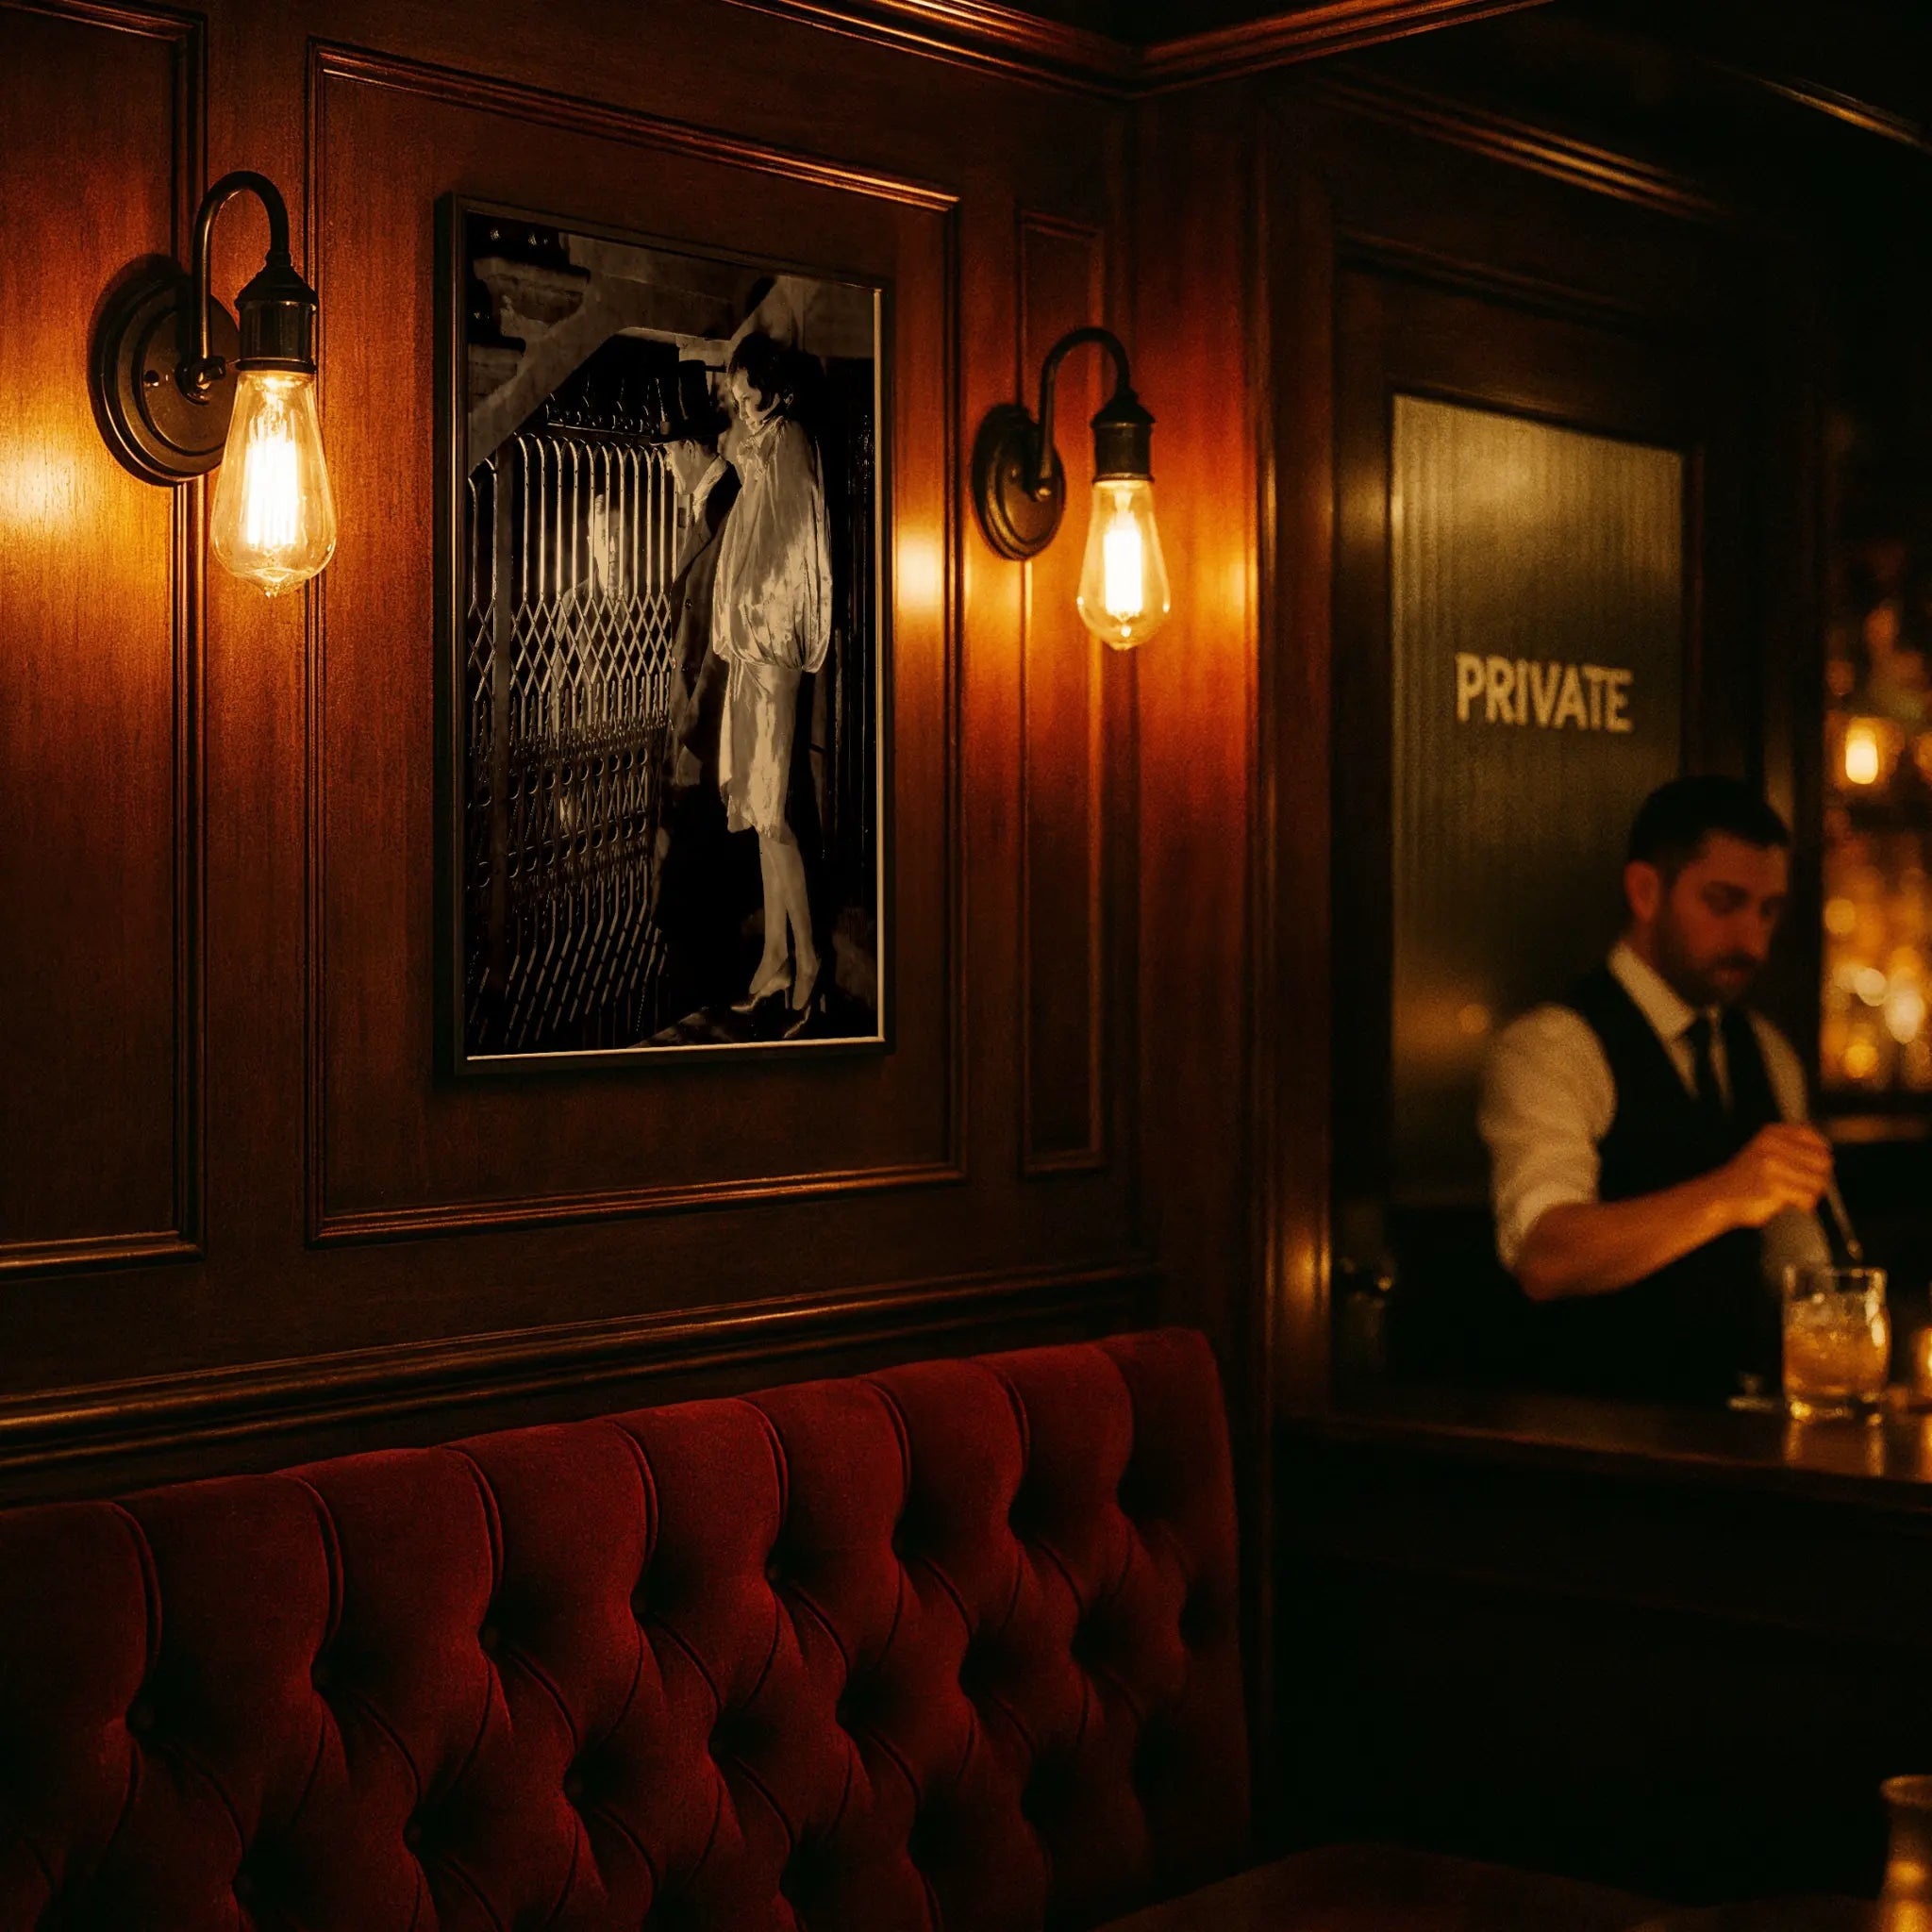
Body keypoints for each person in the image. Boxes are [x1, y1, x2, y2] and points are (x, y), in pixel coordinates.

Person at [1478, 775, 1836, 1403]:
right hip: (1599, 1450)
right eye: (1723, 903)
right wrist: (1727, 1194)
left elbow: (1799, 1264)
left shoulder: (1770, 1054)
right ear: (1645, 891)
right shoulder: (1554, 1047)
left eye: (1768, 910)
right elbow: (1544, 1258)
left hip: (1741, 1441)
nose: (1752, 941)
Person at [708, 331, 833, 1036]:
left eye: (742, 384)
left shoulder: (787, 445)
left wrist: (759, 632)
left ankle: (807, 958)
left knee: (775, 811)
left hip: (770, 653)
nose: (736, 396)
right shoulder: (761, 445)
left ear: (766, 384)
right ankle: (776, 956)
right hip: (751, 655)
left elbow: (791, 555)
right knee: (760, 811)